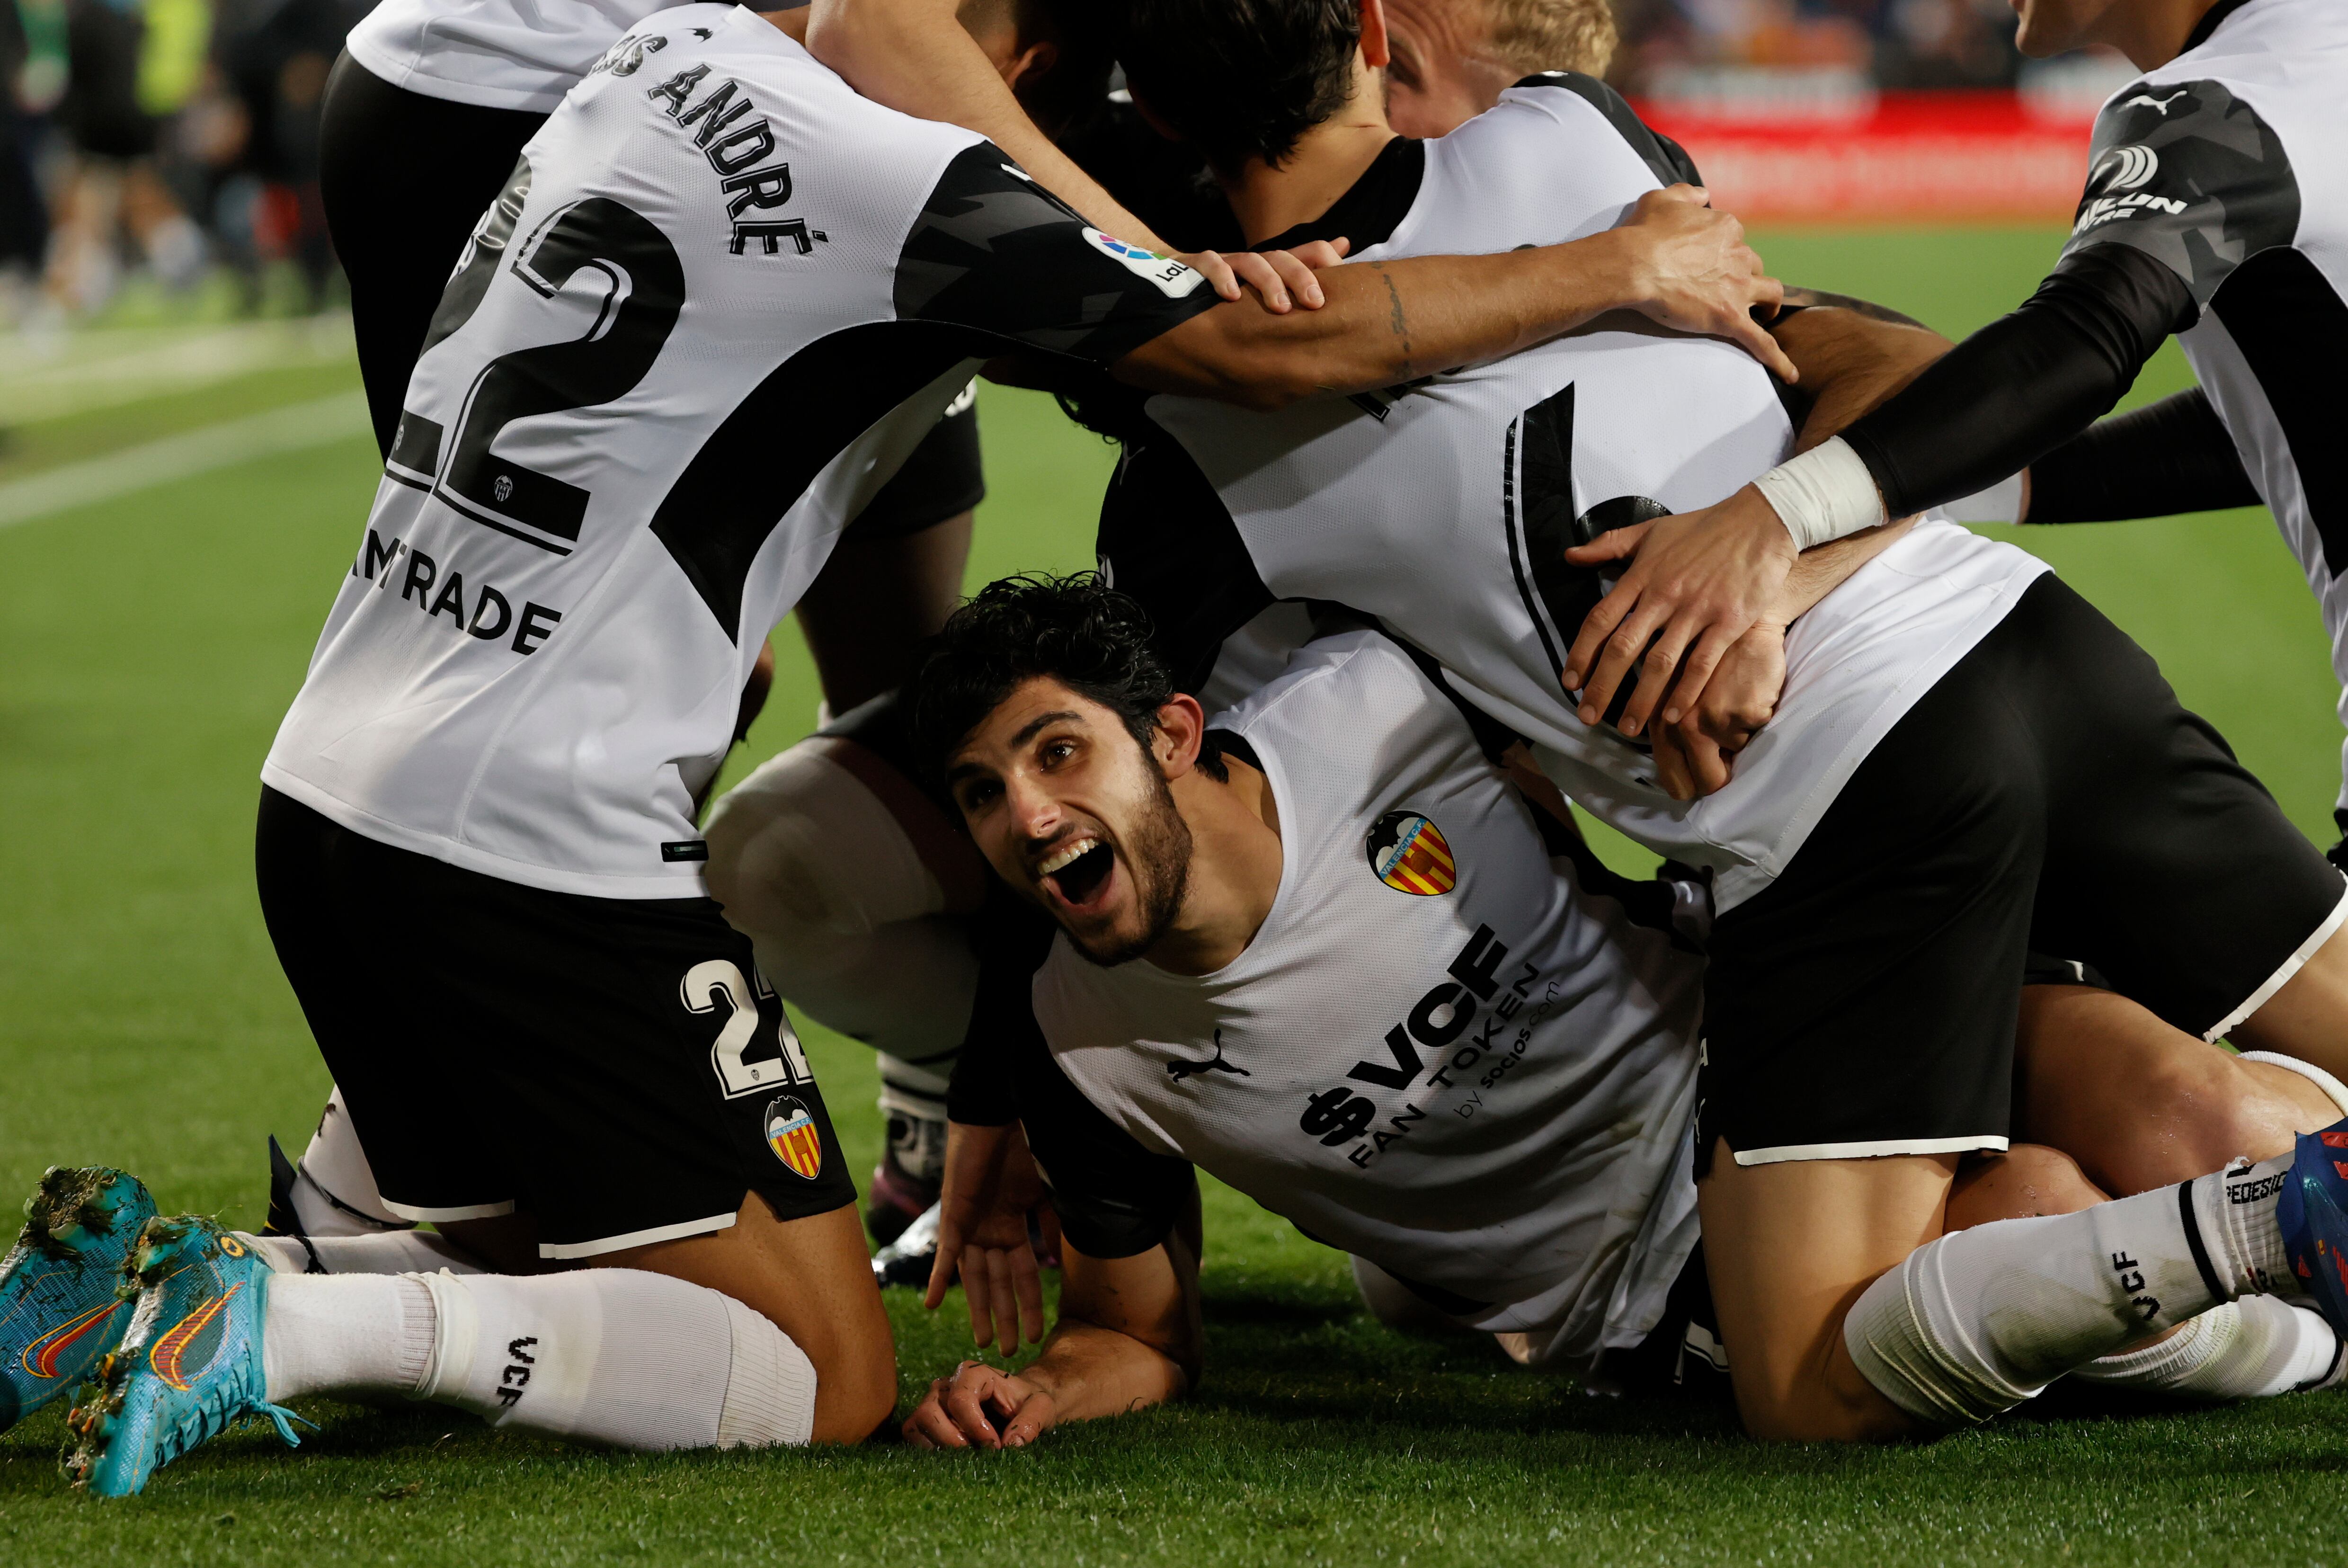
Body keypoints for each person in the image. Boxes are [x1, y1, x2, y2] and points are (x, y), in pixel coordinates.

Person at [35, 0, 1794, 1494]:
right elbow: (1270, 354)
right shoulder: (910, 183)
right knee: (816, 1375)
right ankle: (296, 1318)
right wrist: (1615, 262)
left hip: (331, 795)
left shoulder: (663, 56)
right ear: (1010, 59)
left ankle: (130, 1289)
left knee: (549, 1264)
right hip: (531, 851)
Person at [985, 0, 2348, 1443]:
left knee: (1811, 1378)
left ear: (1172, 126)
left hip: (1835, 798)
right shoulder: (1582, 137)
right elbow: (1904, 372)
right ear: (1378, 32)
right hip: (2035, 647)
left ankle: (2262, 1243)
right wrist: (1759, 521)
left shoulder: (1201, 432)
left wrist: (1739, 588)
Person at [891, 576, 2348, 1448]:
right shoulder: (1074, 1038)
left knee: (2205, 1112)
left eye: (1057, 753)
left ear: (1172, 737)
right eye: (982, 794)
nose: (1029, 815)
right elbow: (1137, 1332)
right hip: (1663, 1272)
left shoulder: (1383, 704)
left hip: (1791, 1026)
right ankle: (2306, 1338)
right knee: (2041, 1200)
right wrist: (1039, 1394)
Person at [1564, 0, 2348, 869]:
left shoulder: (2221, 101)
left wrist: (1769, 522)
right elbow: (2287, 421)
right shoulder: (2319, 51)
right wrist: (1949, 484)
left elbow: (2081, 342)